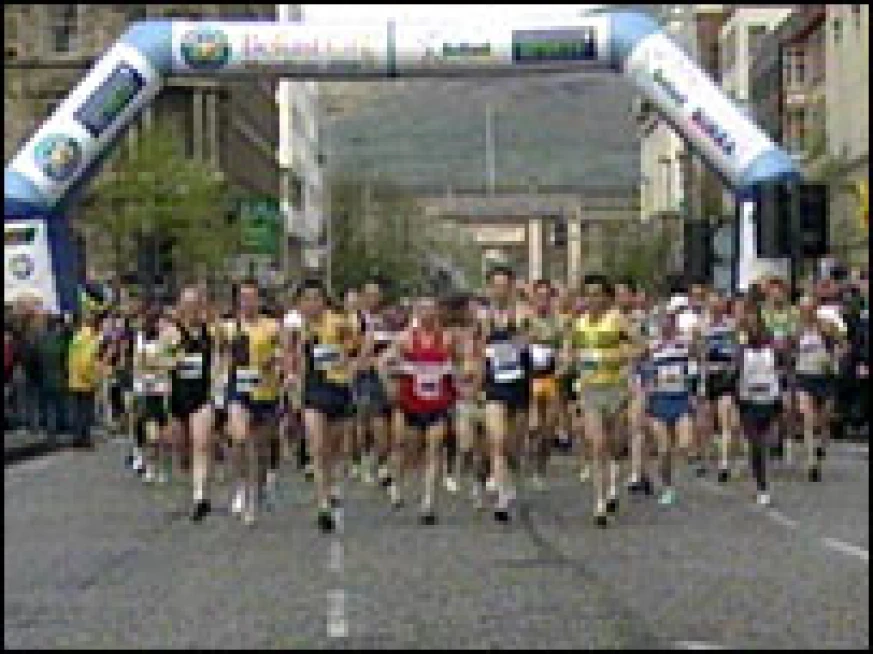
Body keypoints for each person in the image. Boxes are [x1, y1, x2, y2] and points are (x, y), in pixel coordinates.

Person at [566, 274, 638, 527]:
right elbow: (571, 350)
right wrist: (568, 363)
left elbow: (639, 346)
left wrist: (624, 355)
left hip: (616, 389)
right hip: (591, 390)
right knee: (597, 444)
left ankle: (613, 484)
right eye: (589, 295)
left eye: (598, 294)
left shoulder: (617, 319)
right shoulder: (579, 323)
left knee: (616, 444)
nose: (593, 300)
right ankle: (599, 502)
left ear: (608, 297)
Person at [293, 279, 356, 532]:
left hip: (337, 388)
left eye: (316, 298)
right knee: (317, 446)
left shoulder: (338, 322)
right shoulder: (297, 327)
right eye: (306, 299)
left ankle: (333, 485)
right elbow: (292, 355)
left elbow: (356, 346)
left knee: (334, 447)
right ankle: (322, 506)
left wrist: (349, 364)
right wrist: (293, 381)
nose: (312, 304)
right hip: (313, 390)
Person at [220, 280, 282, 526]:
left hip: (265, 390)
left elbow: (284, 353)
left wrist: (277, 364)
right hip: (238, 390)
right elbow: (220, 355)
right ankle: (242, 489)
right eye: (243, 298)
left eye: (252, 298)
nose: (248, 303)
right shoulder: (227, 328)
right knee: (239, 438)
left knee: (262, 447)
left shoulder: (272, 327)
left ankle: (260, 486)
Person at [393, 296, 460, 523]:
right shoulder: (405, 339)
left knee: (435, 450)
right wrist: (393, 387)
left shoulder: (447, 339)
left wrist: (458, 386)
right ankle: (398, 483)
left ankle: (428, 502)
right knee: (409, 451)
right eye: (422, 310)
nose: (427, 314)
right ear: (415, 313)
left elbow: (457, 365)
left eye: (431, 310)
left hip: (438, 403)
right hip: (411, 403)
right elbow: (385, 362)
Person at [477, 266, 531, 522]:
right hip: (494, 384)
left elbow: (528, 338)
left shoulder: (522, 312)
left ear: (511, 288)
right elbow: (476, 346)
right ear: (489, 288)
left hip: (518, 382)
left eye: (504, 286)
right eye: (495, 285)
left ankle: (506, 478)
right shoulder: (482, 315)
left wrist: (518, 332)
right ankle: (501, 496)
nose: (500, 290)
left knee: (513, 445)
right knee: (497, 440)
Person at [169, 286, 218, 520]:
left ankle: (200, 496)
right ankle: (191, 477)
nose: (191, 310)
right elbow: (157, 362)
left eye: (195, 305)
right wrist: (172, 357)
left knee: (202, 444)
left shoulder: (211, 332)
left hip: (202, 396)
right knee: (182, 450)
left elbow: (221, 359)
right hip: (177, 396)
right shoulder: (171, 332)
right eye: (186, 305)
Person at [641, 308, 697, 506]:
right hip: (659, 400)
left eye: (670, 323)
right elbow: (644, 371)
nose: (667, 326)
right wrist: (646, 395)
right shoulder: (652, 347)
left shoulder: (684, 344)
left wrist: (694, 392)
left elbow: (694, 367)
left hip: (680, 399)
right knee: (663, 449)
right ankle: (667, 486)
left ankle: (670, 474)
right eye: (664, 323)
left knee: (684, 443)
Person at [523, 279, 564, 491]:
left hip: (550, 378)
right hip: (529, 377)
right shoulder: (524, 319)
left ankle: (540, 469)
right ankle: (527, 463)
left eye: (546, 296)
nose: (543, 300)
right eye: (539, 296)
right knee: (532, 427)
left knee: (548, 431)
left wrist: (562, 365)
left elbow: (566, 348)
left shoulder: (559, 321)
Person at [67, 310, 106, 449]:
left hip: (74, 379)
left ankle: (77, 437)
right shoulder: (90, 339)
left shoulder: (77, 336)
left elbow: (71, 358)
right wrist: (92, 379)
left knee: (78, 410)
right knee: (86, 411)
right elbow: (86, 362)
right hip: (85, 381)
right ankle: (84, 439)